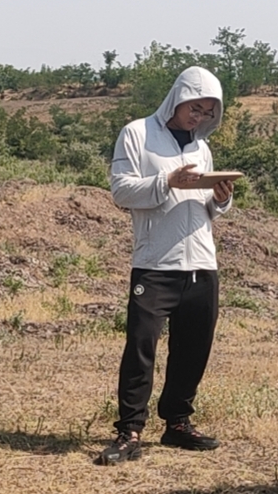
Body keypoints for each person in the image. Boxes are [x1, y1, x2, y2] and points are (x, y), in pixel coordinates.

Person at [98, 66, 236, 465]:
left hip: (201, 262)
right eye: (196, 107)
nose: (200, 117)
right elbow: (121, 191)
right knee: (141, 346)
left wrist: (221, 198)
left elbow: (206, 210)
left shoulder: (200, 147)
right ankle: (130, 430)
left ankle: (177, 423)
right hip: (156, 263)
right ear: (179, 97)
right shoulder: (137, 133)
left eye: (209, 112)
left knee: (194, 347)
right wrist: (167, 181)